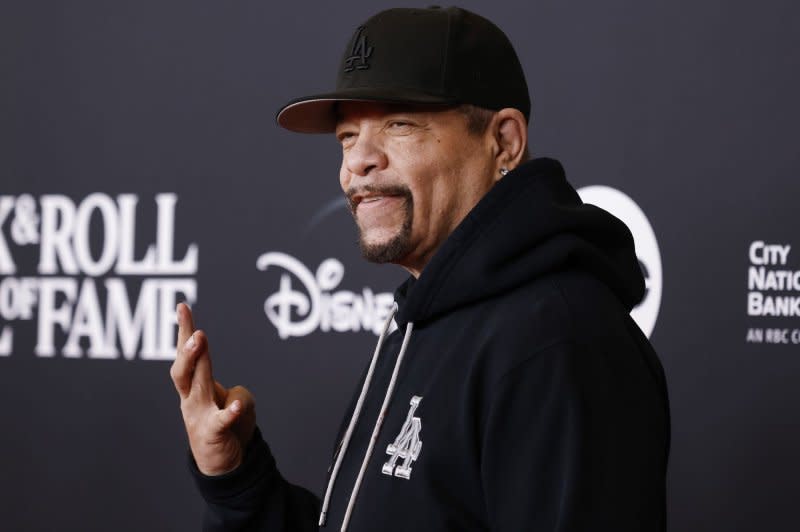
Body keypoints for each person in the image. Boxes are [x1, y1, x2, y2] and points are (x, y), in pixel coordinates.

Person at [170, 6, 670, 531]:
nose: (357, 161)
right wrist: (237, 478)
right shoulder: (425, 317)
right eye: (346, 136)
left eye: (399, 124)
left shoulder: (558, 343)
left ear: (504, 141)